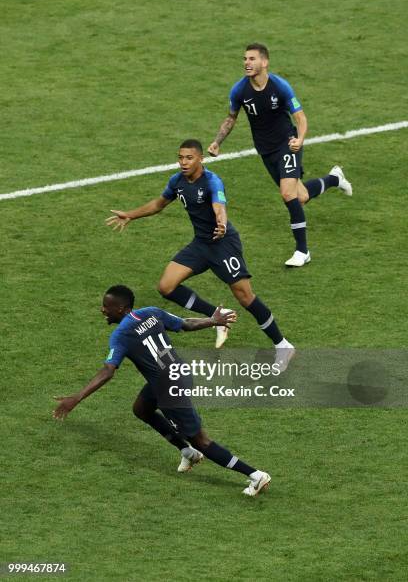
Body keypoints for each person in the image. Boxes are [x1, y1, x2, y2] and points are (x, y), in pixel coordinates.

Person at [53, 285, 271, 497]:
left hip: (169, 388)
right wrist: (212, 321)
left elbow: (108, 371)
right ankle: (187, 452)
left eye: (106, 306)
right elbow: (185, 324)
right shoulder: (151, 313)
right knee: (142, 409)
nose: (102, 309)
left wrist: (77, 398)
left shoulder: (120, 335)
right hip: (177, 374)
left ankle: (255, 475)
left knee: (201, 441)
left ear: (120, 309)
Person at [105, 139, 294, 370]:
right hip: (201, 245)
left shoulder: (212, 181)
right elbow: (158, 204)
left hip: (223, 244)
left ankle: (282, 345)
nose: (183, 162)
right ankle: (217, 316)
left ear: (200, 159)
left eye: (189, 158)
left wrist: (222, 224)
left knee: (245, 297)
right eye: (181, 157)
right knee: (166, 286)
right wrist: (131, 215)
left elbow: (219, 207)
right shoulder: (177, 181)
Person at [208, 42, 352, 267]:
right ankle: (335, 178)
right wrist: (217, 142)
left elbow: (301, 118)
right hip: (265, 150)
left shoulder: (280, 87)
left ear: (264, 62)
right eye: (245, 59)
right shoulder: (239, 90)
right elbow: (231, 118)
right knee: (300, 196)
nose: (247, 63)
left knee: (287, 194)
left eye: (252, 59)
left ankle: (302, 251)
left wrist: (300, 140)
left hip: (287, 144)